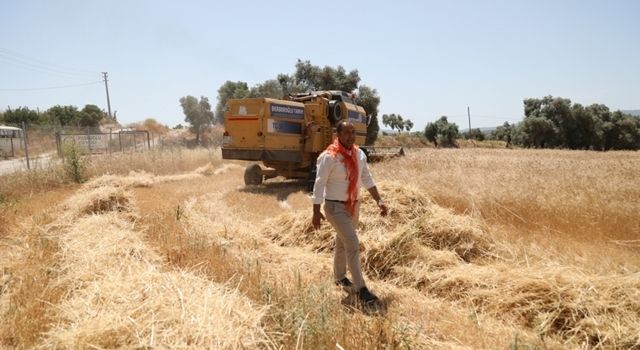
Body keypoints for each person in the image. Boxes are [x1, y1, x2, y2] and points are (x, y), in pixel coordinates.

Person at [311, 120, 388, 304]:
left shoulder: (359, 154)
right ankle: (361, 289)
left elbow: (367, 178)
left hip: (353, 206)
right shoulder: (329, 157)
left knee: (342, 242)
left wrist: (379, 200)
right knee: (352, 242)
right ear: (338, 135)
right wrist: (316, 211)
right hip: (334, 207)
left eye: (353, 132)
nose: (351, 136)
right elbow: (319, 184)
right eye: (346, 133)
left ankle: (339, 276)